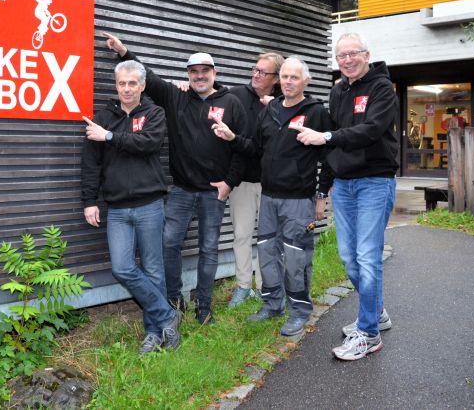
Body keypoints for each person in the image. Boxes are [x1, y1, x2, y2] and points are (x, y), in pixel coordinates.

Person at [103, 32, 248, 325]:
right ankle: (173, 298)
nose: (199, 76)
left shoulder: (232, 103)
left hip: (213, 191)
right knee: (168, 244)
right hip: (181, 190)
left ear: (214, 73)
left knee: (209, 249)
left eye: (204, 71)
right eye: (193, 72)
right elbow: (150, 78)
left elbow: (243, 147)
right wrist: (124, 51)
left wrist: (229, 183)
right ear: (188, 75)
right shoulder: (176, 97)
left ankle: (204, 306)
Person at [212, 57, 333, 336]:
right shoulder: (271, 110)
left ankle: (300, 310)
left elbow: (330, 156)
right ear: (279, 80)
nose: (289, 81)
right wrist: (232, 138)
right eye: (286, 77)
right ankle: (272, 304)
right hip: (269, 196)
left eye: (295, 77)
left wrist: (321, 194)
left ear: (306, 81)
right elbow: (256, 148)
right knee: (267, 253)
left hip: (298, 199)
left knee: (296, 257)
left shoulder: (315, 112)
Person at [297, 33, 398, 361]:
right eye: (341, 56)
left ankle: (368, 334)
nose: (347, 60)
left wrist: (325, 135)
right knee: (349, 257)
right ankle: (377, 312)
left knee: (368, 257)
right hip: (345, 184)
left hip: (375, 182)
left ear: (367, 55)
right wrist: (323, 187)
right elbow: (333, 146)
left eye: (353, 53)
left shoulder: (382, 88)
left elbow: (371, 130)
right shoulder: (338, 90)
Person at [80, 60, 181, 355]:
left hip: (150, 204)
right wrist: (89, 201)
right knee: (123, 268)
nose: (126, 89)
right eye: (122, 83)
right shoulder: (102, 117)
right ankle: (167, 317)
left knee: (153, 270)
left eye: (132, 84)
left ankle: (154, 333)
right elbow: (91, 164)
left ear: (142, 85)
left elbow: (147, 143)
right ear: (116, 85)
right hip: (118, 209)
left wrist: (109, 136)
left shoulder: (154, 113)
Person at [225, 53, 284, 308]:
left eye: (263, 72)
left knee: (269, 237)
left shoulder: (284, 102)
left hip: (273, 182)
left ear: (276, 79)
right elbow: (208, 93)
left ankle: (265, 287)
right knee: (241, 234)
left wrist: (276, 108)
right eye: (255, 69)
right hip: (243, 180)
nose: (256, 74)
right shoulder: (236, 95)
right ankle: (242, 287)